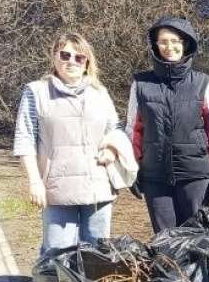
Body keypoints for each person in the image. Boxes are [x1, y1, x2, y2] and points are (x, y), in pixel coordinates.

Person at [13, 32, 130, 253]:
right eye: (65, 55)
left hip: (98, 186)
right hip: (56, 189)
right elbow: (25, 139)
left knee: (97, 254)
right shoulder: (36, 92)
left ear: (87, 62)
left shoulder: (100, 93)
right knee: (58, 254)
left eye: (79, 57)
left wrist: (112, 151)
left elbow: (115, 130)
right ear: (54, 57)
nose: (71, 61)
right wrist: (35, 182)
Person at [126, 16, 209, 233]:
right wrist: (132, 169)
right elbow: (133, 130)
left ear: (185, 43)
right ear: (155, 45)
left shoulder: (203, 83)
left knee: (197, 239)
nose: (170, 47)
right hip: (155, 176)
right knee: (165, 240)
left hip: (196, 175)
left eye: (176, 41)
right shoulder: (141, 84)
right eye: (164, 42)